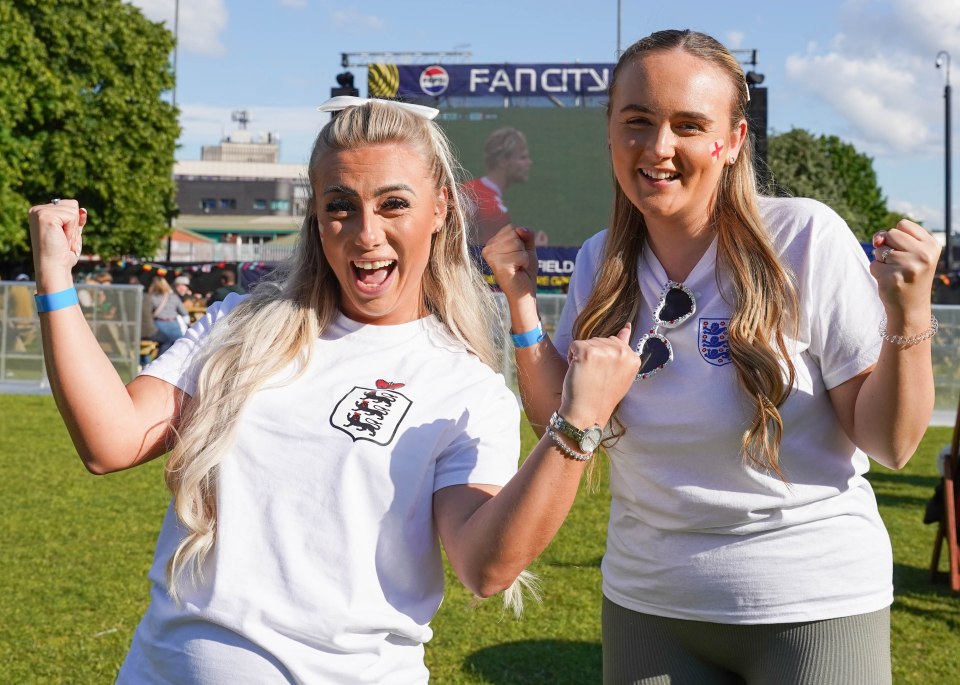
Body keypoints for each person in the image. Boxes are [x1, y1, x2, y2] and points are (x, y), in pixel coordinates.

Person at [27, 99, 640, 683]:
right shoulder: (239, 325)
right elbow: (110, 441)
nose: (366, 233)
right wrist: (55, 276)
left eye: (394, 203)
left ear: (441, 209)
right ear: (316, 218)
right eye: (341, 205)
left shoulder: (464, 386)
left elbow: (486, 567)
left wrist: (575, 426)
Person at [482, 29, 940, 685]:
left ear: (732, 142)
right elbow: (560, 418)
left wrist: (910, 315)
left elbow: (891, 443)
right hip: (648, 605)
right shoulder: (598, 258)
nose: (659, 147)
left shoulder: (804, 238)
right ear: (610, 133)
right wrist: (522, 305)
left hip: (811, 606)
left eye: (688, 125)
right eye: (637, 122)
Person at [462, 127, 536, 246]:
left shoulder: (472, 189)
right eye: (523, 157)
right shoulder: (475, 197)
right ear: (503, 161)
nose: (529, 162)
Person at [146, 275, 189, 355]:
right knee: (179, 346)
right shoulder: (173, 297)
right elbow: (184, 313)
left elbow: (147, 314)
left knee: (165, 343)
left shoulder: (150, 298)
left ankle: (160, 362)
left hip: (159, 324)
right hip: (174, 324)